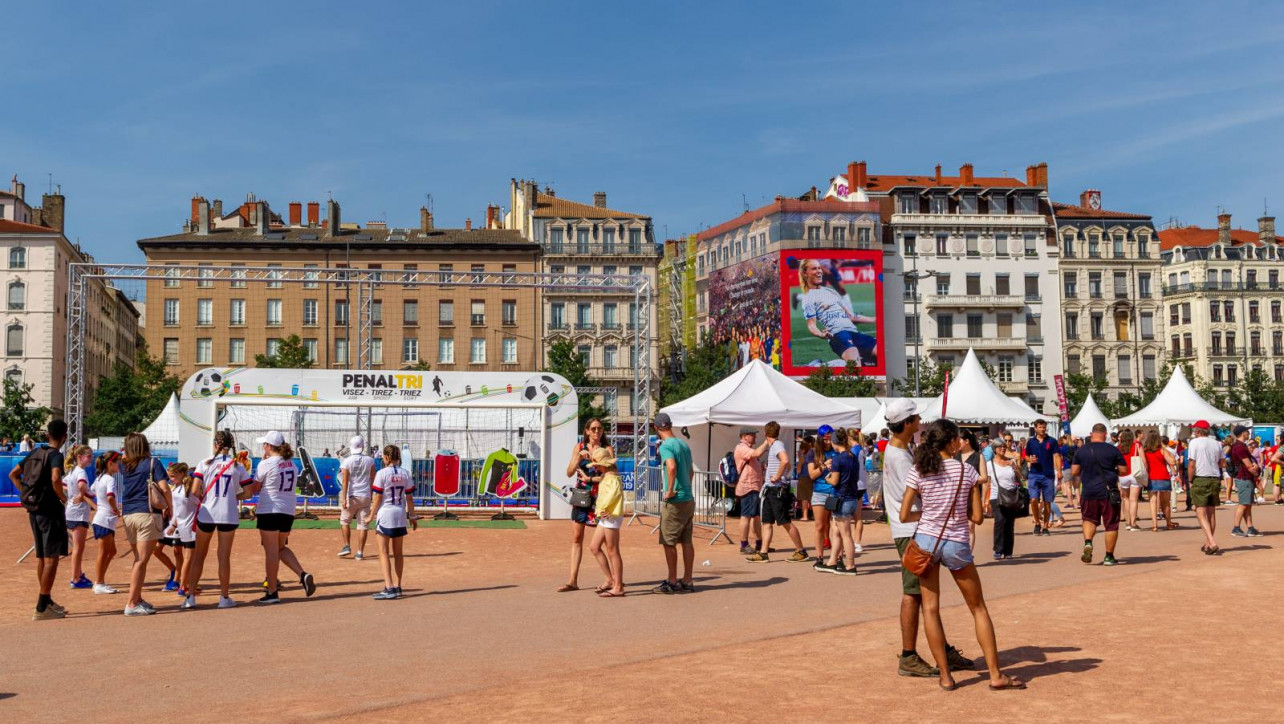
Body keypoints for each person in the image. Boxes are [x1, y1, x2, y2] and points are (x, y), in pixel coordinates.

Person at [900, 419, 1024, 691]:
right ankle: (995, 675)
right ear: (951, 442)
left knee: (931, 609)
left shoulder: (919, 469)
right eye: (957, 438)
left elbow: (903, 514)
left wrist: (931, 513)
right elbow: (977, 518)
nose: (960, 442)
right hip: (956, 542)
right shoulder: (965, 471)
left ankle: (945, 675)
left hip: (926, 542)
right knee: (977, 607)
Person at [881, 400, 971, 678]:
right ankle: (908, 655)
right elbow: (918, 493)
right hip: (911, 529)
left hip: (917, 527)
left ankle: (941, 650)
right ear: (907, 423)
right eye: (916, 417)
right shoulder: (899, 455)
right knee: (914, 594)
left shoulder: (902, 449)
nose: (920, 420)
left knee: (926, 595)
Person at [186, 430, 252, 609]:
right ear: (230, 446)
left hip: (207, 514)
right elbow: (248, 491)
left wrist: (202, 499)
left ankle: (190, 597)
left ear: (215, 444)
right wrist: (233, 497)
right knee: (224, 556)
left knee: (199, 555)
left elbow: (194, 491)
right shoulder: (237, 466)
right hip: (228, 515)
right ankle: (224, 598)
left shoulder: (204, 463)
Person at [248, 431, 316, 604]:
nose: (263, 446)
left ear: (269, 446)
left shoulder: (266, 464)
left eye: (265, 444)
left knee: (271, 552)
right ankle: (302, 574)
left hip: (270, 510)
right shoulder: (292, 464)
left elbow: (254, 489)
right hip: (287, 511)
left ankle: (272, 592)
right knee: (279, 548)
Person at [11, 420, 69, 620]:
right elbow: (55, 478)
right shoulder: (56, 455)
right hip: (50, 511)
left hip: (34, 510)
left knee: (41, 556)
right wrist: (62, 497)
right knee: (52, 558)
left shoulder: (35, 452)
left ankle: (47, 600)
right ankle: (42, 605)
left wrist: (25, 495)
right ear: (64, 436)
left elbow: (14, 474)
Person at [117, 432, 171, 616]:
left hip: (128, 515)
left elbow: (119, 457)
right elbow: (164, 488)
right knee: (141, 561)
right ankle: (132, 603)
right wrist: (169, 507)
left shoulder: (124, 465)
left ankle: (137, 598)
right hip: (147, 514)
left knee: (137, 560)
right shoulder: (152, 463)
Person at [559, 418, 613, 592]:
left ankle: (613, 579)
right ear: (587, 431)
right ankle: (572, 580)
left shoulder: (607, 449)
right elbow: (569, 472)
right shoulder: (579, 447)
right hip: (581, 496)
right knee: (576, 539)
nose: (597, 432)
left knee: (605, 541)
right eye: (594, 429)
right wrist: (578, 458)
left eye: (600, 429)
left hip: (600, 498)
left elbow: (610, 475)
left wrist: (591, 478)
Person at [747, 421, 808, 563]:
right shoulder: (774, 445)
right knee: (767, 522)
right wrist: (782, 473)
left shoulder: (777, 445)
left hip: (776, 490)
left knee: (785, 521)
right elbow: (786, 463)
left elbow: (785, 460)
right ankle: (763, 553)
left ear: (766, 433)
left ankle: (801, 551)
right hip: (770, 489)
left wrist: (778, 476)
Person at [799, 257, 877, 365]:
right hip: (838, 335)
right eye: (814, 269)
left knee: (880, 357)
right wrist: (821, 335)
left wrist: (875, 319)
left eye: (819, 268)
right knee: (855, 366)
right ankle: (817, 367)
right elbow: (811, 325)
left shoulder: (831, 292)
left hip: (854, 333)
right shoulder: (809, 298)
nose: (819, 271)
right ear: (805, 273)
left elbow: (851, 316)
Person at [1072, 423, 1127, 566]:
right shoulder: (1112, 450)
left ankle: (1088, 542)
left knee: (1089, 519)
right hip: (1108, 492)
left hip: (1089, 492)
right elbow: (1123, 470)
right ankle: (1109, 556)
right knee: (1111, 525)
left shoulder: (1082, 450)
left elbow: (1074, 472)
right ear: (1105, 434)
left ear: (1091, 434)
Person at [653, 413, 695, 594]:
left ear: (656, 428)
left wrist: (669, 490)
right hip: (687, 498)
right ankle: (687, 580)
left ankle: (672, 581)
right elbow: (691, 472)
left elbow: (671, 466)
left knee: (669, 541)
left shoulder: (666, 446)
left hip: (675, 500)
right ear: (670, 425)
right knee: (686, 540)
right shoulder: (683, 444)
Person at [370, 444, 417, 600]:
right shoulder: (405, 474)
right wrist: (413, 516)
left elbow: (377, 497)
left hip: (385, 514)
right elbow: (409, 498)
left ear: (386, 457)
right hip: (400, 514)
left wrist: (371, 515)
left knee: (383, 553)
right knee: (398, 553)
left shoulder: (382, 473)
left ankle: (389, 587)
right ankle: (397, 586)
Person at [818, 428, 860, 575]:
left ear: (835, 442)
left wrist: (826, 476)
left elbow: (834, 481)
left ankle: (850, 565)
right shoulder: (852, 456)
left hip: (842, 499)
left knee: (845, 534)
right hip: (851, 497)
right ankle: (832, 561)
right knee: (836, 531)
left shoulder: (838, 459)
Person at [588, 447, 625, 597]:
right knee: (594, 547)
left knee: (612, 550)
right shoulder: (607, 475)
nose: (595, 467)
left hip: (610, 515)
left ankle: (618, 586)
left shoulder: (611, 477)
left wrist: (605, 508)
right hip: (606, 515)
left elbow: (614, 495)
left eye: (597, 464)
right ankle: (610, 580)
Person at [63, 445, 96, 590]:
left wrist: (73, 494)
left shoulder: (72, 471)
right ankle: (75, 578)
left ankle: (78, 573)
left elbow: (63, 484)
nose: (91, 458)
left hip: (72, 511)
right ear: (79, 457)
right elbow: (82, 485)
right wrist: (81, 494)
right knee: (78, 547)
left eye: (91, 455)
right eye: (88, 455)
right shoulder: (81, 472)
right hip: (78, 513)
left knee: (78, 546)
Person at [338, 435, 376, 560]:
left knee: (345, 521)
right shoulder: (370, 460)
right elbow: (372, 478)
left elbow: (345, 481)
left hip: (351, 495)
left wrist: (344, 498)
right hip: (365, 495)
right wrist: (370, 494)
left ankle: (347, 545)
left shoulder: (347, 461)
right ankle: (360, 552)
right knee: (363, 525)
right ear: (363, 446)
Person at [89, 451, 122, 595]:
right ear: (110, 464)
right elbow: (110, 497)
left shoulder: (99, 478)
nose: (119, 464)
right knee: (103, 553)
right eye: (118, 462)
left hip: (103, 519)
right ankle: (99, 582)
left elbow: (88, 493)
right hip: (105, 519)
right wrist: (115, 510)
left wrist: (97, 506)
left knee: (111, 551)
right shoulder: (109, 479)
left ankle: (100, 580)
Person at [164, 463, 198, 599]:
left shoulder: (176, 490)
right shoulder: (188, 491)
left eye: (172, 476)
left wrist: (173, 525)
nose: (170, 479)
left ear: (180, 474)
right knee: (189, 559)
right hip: (191, 529)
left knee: (187, 558)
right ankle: (183, 587)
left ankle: (185, 584)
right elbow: (200, 504)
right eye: (170, 477)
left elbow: (178, 513)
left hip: (182, 527)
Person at [1023, 420, 1060, 536]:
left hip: (1048, 475)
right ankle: (1037, 523)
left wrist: (1059, 471)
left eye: (1044, 427)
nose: (1043, 429)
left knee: (1047, 501)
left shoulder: (1052, 441)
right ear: (1035, 428)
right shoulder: (1031, 442)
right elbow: (1025, 455)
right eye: (1040, 427)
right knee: (1033, 499)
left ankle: (1045, 526)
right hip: (1034, 473)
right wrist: (1029, 460)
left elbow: (1057, 456)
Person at [733, 427, 768, 554]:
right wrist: (767, 442)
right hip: (748, 486)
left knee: (756, 516)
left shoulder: (747, 448)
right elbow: (757, 453)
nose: (755, 437)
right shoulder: (742, 448)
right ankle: (744, 544)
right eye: (752, 435)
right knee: (746, 516)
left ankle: (759, 543)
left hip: (754, 486)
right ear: (745, 436)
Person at [1227, 425, 1264, 538]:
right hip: (1244, 478)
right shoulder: (1240, 447)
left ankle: (1250, 528)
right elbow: (1249, 465)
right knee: (1243, 504)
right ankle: (1236, 528)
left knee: (1247, 504)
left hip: (1245, 477)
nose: (1248, 434)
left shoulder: (1240, 446)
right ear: (1243, 433)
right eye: (1247, 432)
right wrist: (1256, 471)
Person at [986, 440, 1021, 560]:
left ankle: (1008, 551)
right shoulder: (989, 464)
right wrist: (985, 500)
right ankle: (998, 549)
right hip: (996, 496)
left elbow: (1020, 478)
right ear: (994, 449)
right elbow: (987, 483)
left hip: (1011, 496)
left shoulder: (1011, 461)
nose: (1003, 448)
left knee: (1009, 523)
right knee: (1000, 521)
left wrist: (1014, 467)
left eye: (1004, 446)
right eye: (1000, 446)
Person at [808, 426, 836, 564]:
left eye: (830, 439)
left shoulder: (836, 451)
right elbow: (812, 475)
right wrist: (824, 466)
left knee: (836, 526)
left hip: (834, 492)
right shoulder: (813, 453)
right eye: (825, 439)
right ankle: (819, 557)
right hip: (819, 492)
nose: (828, 442)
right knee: (820, 526)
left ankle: (838, 557)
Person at [956, 430, 988, 552]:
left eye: (959, 440)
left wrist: (967, 479)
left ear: (966, 441)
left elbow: (984, 478)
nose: (956, 443)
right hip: (956, 496)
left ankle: (968, 555)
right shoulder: (954, 456)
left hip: (972, 495)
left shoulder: (978, 456)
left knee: (970, 526)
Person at [1142, 431, 1179, 531]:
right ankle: (1168, 523)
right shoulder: (1162, 450)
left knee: (1152, 502)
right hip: (1163, 477)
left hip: (1151, 478)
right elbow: (1172, 461)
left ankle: (1155, 525)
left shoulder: (1145, 450)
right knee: (1166, 503)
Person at [795, 435, 815, 522]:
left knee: (804, 497)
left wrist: (799, 459)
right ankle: (814, 515)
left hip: (804, 476)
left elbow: (798, 470)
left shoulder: (805, 453)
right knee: (812, 496)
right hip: (814, 476)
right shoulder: (815, 451)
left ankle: (805, 515)